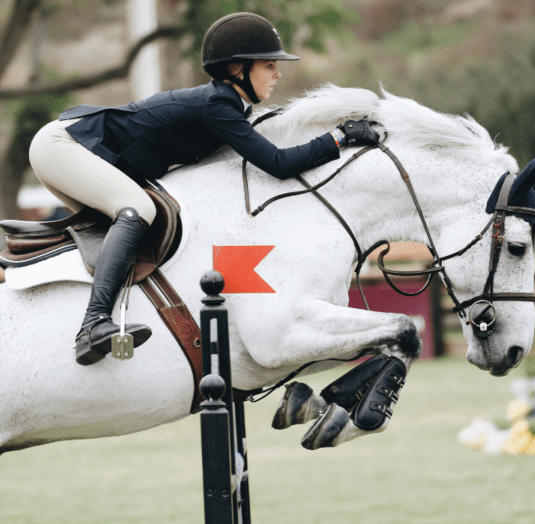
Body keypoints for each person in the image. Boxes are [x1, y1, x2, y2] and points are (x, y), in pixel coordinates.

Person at [29, 11, 381, 366]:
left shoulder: (227, 108)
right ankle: (93, 324)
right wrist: (339, 137)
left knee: (142, 227)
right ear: (237, 69)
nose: (277, 73)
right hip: (65, 145)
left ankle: (106, 320)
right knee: (138, 210)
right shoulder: (218, 105)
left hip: (84, 149)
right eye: (269, 65)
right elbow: (279, 164)